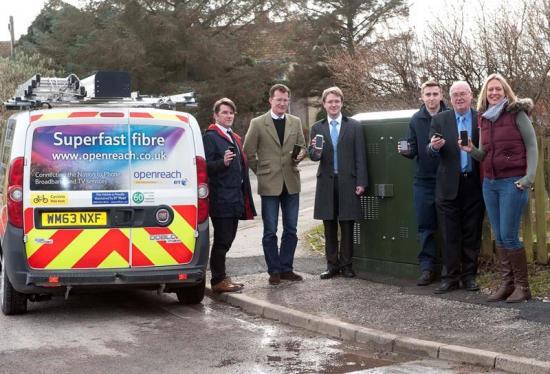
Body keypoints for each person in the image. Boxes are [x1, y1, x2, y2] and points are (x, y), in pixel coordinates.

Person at [460, 73, 538, 303]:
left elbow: (532, 146)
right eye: (490, 90)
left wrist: (528, 179)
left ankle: (523, 287)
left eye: (498, 89)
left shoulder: (517, 113)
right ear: (485, 93)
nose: (494, 93)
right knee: (500, 237)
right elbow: (483, 154)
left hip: (512, 182)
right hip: (490, 184)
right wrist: (471, 149)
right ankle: (507, 284)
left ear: (505, 91)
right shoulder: (484, 118)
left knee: (509, 236)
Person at [243, 84, 306, 285]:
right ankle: (274, 270)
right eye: (278, 99)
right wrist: (261, 172)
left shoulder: (295, 122)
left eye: (285, 100)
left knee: (291, 229)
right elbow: (248, 152)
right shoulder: (258, 123)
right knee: (270, 230)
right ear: (270, 100)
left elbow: (302, 146)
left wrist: (300, 155)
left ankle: (287, 268)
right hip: (269, 183)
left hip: (291, 182)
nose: (282, 103)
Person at [427, 81, 484, 294]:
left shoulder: (480, 119)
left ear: (471, 96)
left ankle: (469, 276)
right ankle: (450, 277)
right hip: (448, 185)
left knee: (472, 232)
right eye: (455, 95)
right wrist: (434, 146)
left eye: (463, 94)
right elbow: (429, 149)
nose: (459, 98)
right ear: (449, 99)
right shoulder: (440, 120)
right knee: (449, 233)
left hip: (473, 183)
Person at [308, 87, 367, 279]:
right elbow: (314, 156)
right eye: (330, 101)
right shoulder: (317, 127)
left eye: (337, 101)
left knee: (347, 224)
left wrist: (361, 181)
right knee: (329, 225)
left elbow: (361, 156)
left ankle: (347, 265)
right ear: (324, 104)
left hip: (348, 182)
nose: (333, 104)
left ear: (341, 103)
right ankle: (331, 265)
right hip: (326, 182)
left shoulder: (354, 126)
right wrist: (313, 152)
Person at [203, 98, 256, 292]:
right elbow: (205, 167)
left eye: (231, 113)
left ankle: (222, 277)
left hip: (235, 197)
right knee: (222, 240)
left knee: (228, 239)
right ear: (216, 115)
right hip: (221, 198)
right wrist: (222, 162)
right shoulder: (210, 137)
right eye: (224, 112)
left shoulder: (234, 136)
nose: (228, 116)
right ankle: (218, 280)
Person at [398, 80, 448, 286]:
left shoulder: (450, 117)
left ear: (441, 96)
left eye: (435, 94)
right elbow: (412, 148)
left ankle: (449, 268)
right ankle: (427, 269)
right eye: (427, 94)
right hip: (424, 181)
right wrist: (406, 150)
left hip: (447, 180)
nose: (431, 98)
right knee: (425, 226)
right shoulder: (416, 119)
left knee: (448, 226)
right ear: (422, 97)